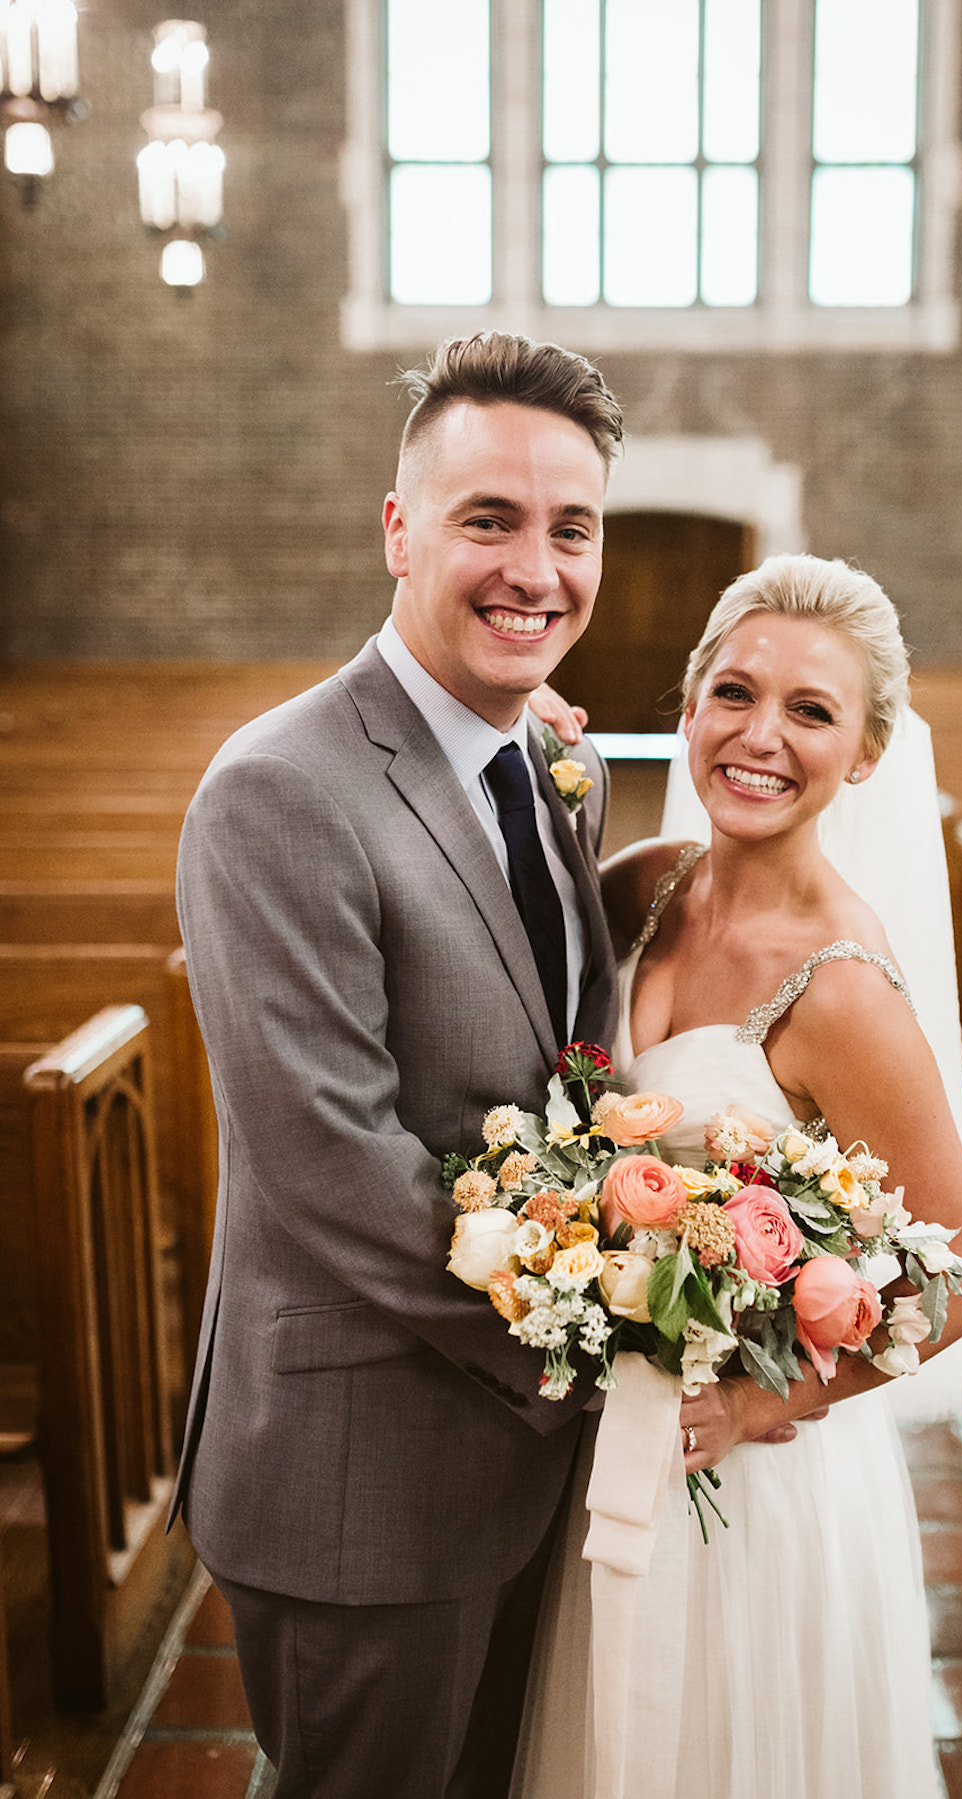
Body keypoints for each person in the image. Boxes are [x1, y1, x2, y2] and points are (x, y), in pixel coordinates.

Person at [170, 332, 624, 1799]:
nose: (535, 569)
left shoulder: (555, 758)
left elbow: (565, 1043)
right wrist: (586, 1348)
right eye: (489, 518)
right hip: (364, 1466)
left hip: (522, 1470)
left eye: (573, 527)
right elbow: (333, 1161)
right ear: (398, 528)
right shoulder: (279, 789)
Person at [511, 553, 962, 1799]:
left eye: (812, 710)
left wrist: (760, 1404)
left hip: (744, 1479)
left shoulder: (844, 988)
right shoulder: (637, 887)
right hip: (598, 1434)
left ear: (870, 752)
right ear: (687, 708)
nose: (759, 735)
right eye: (734, 692)